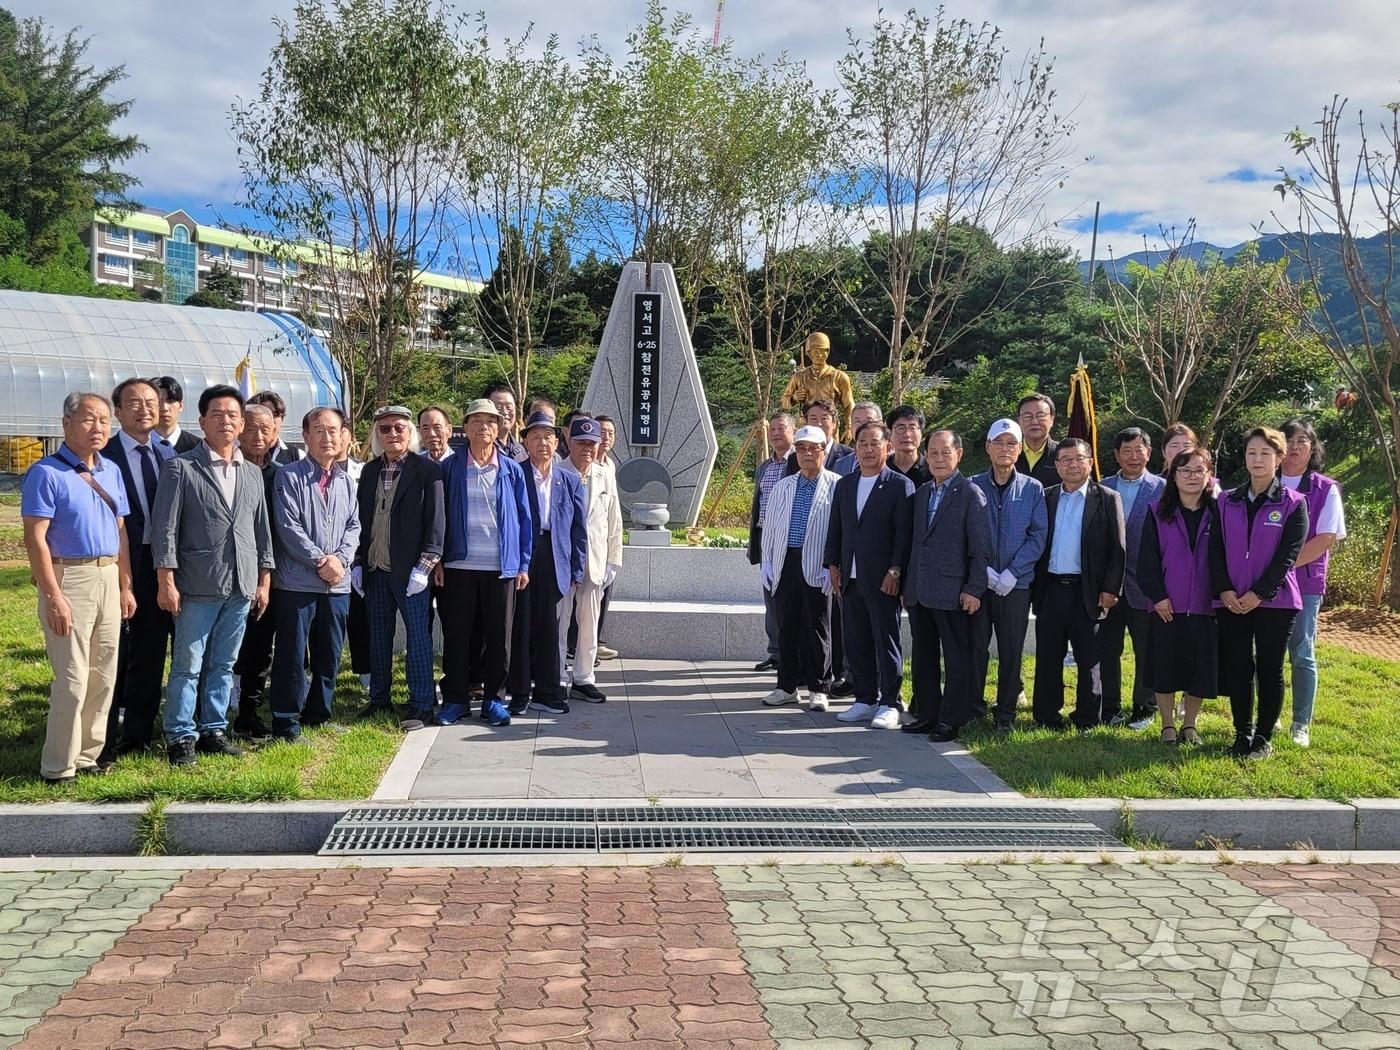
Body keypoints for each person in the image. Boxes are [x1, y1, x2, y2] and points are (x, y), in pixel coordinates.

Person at [150, 385, 274, 766]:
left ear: (242, 423)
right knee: (188, 664)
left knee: (223, 663)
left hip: (241, 583)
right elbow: (164, 529)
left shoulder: (251, 472)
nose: (226, 421)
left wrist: (263, 578)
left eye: (233, 415)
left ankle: (214, 728)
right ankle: (180, 735)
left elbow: (260, 530)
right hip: (197, 584)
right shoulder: (181, 467)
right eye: (217, 414)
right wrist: (165, 579)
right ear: (202, 421)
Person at [22, 393, 136, 783]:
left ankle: (89, 755)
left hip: (107, 575)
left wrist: (125, 584)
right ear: (66, 423)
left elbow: (120, 531)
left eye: (104, 420)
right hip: (69, 577)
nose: (98, 428)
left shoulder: (111, 472)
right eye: (89, 420)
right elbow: (35, 539)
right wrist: (53, 595)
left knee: (104, 674)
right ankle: (58, 765)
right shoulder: (46, 473)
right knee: (71, 678)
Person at [1210, 426, 1307, 760]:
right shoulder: (1226, 501)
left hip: (1275, 603)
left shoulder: (1294, 503)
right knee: (1238, 667)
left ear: (1279, 458)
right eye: (1252, 453)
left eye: (1266, 453)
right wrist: (1224, 590)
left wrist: (1260, 593)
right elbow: (1215, 549)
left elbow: (1288, 557)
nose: (1258, 459)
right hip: (1231, 600)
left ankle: (1263, 737)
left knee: (1269, 668)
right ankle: (1241, 732)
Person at [437, 398, 533, 726]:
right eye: (476, 421)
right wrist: (437, 560)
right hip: (458, 567)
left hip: (500, 568)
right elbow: (437, 520)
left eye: (490, 422)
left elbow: (524, 519)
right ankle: (455, 699)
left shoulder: (511, 469)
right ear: (465, 427)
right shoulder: (449, 467)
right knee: (457, 636)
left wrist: (523, 563)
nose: (483, 427)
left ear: (499, 428)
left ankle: (494, 698)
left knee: (499, 637)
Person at [269, 408, 360, 741]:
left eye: (334, 431)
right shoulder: (288, 476)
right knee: (293, 654)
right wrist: (322, 560)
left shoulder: (347, 481)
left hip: (337, 585)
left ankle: (318, 713)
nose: (327, 437)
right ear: (305, 436)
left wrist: (340, 560)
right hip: (297, 582)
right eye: (319, 431)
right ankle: (285, 721)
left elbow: (354, 526)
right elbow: (287, 527)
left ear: (343, 436)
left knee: (330, 652)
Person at [99, 377, 176, 759]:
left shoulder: (169, 454)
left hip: (162, 562)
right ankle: (103, 737)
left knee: (150, 648)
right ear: (117, 411)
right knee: (117, 649)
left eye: (151, 401)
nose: (145, 409)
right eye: (134, 402)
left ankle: (138, 734)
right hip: (119, 560)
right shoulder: (104, 455)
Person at [354, 406, 444, 724]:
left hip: (412, 572)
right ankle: (379, 699)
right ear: (377, 434)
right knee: (378, 637)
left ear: (411, 432)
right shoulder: (369, 471)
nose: (392, 434)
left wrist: (425, 566)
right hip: (375, 569)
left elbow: (436, 524)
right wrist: (357, 562)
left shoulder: (427, 470)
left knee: (418, 638)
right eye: (385, 429)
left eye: (399, 428)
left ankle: (421, 702)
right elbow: (360, 522)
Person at [902, 430, 993, 740]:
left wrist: (974, 588)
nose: (938, 458)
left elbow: (980, 549)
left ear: (959, 455)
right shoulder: (923, 493)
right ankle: (927, 714)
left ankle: (950, 720)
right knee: (923, 657)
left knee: (956, 659)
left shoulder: (970, 493)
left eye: (945, 452)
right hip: (920, 590)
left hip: (954, 593)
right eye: (933, 453)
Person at [824, 421, 914, 729]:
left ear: (888, 448)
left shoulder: (900, 485)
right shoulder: (845, 484)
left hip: (882, 578)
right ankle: (864, 698)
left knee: (885, 640)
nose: (868, 449)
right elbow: (836, 528)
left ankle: (890, 702)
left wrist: (895, 569)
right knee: (856, 640)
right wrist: (832, 564)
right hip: (849, 578)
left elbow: (904, 535)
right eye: (862, 443)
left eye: (875, 443)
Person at [1031, 438, 1125, 729]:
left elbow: (1117, 548)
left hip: (1089, 592)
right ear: (1056, 465)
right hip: (1051, 589)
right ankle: (1046, 716)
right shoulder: (1045, 497)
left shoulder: (1107, 498)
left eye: (1078, 458)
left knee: (1089, 659)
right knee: (1048, 657)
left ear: (1090, 462)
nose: (1072, 464)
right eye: (1065, 460)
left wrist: (1111, 589)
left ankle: (1087, 718)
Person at [1138, 447, 1219, 745]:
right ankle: (1167, 725)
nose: (1192, 477)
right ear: (1173, 475)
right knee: (1165, 667)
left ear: (1209, 474)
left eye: (1199, 470)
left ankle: (1190, 725)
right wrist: (1158, 596)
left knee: (1199, 670)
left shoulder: (1220, 512)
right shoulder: (1157, 512)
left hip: (1205, 606)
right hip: (1166, 606)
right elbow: (1146, 560)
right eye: (1184, 471)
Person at [970, 419, 1047, 732]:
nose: (1005, 449)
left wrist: (1013, 572)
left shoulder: (1032, 489)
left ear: (1019, 449)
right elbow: (965, 533)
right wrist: (984, 571)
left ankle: (1005, 714)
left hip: (1016, 586)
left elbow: (1038, 535)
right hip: (979, 583)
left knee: (1011, 650)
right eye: (998, 443)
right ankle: (973, 709)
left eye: (1011, 443)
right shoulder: (972, 485)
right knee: (975, 648)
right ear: (988, 447)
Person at [510, 410, 587, 716]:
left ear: (558, 442)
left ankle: (547, 690)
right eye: (536, 437)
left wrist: (577, 569)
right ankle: (518, 692)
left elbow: (579, 529)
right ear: (525, 441)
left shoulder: (569, 479)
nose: (543, 443)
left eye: (548, 437)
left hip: (555, 555)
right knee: (520, 625)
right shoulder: (515, 473)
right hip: (523, 555)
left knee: (549, 628)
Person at [760, 425, 839, 710]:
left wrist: (833, 565)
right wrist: (767, 562)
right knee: (787, 627)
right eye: (802, 448)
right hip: (786, 562)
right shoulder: (784, 485)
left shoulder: (836, 484)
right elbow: (769, 527)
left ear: (823, 451)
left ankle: (819, 687)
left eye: (813, 449)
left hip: (818, 564)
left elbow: (840, 530)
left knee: (819, 628)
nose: (807, 454)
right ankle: (787, 686)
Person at [1281, 419, 1345, 748]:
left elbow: (1327, 537)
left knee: (1302, 652)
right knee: (1264, 653)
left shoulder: (1324, 488)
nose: (1294, 446)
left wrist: (1282, 567)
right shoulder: (1263, 481)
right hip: (1262, 584)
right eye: (1288, 439)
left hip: (1303, 583)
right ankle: (1270, 715)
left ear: (1312, 448)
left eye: (1301, 441)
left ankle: (1300, 723)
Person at [1098, 427, 1166, 729]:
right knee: (1108, 650)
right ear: (1116, 455)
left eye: (1139, 450)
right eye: (1127, 450)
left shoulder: (1163, 489)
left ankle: (1145, 705)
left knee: (1147, 649)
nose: (1133, 456)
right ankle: (1110, 706)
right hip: (1109, 586)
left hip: (1147, 586)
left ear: (1149, 453)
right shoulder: (1101, 487)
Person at [557, 416, 622, 703]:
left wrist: (613, 561)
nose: (587, 449)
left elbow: (614, 519)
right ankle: (558, 676)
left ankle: (584, 677)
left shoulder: (605, 474)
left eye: (591, 444)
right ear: (569, 442)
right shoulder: (557, 472)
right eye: (581, 442)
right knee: (559, 623)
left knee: (589, 624)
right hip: (563, 562)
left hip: (594, 562)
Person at [229, 404, 283, 739]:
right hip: (227, 572)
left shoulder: (283, 473)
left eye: (266, 429)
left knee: (260, 647)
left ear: (275, 432)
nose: (258, 436)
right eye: (251, 428)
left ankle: (249, 711)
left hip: (270, 573)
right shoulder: (225, 470)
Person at [748, 411, 796, 673]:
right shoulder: (765, 466)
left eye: (781, 429)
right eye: (772, 430)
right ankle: (775, 651)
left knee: (790, 599)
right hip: (765, 537)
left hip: (790, 539)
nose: (776, 434)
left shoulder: (798, 462)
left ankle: (791, 652)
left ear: (793, 432)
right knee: (771, 598)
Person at [780, 332, 856, 440]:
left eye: (824, 351)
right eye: (816, 352)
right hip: (806, 429)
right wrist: (794, 398)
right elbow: (784, 402)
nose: (820, 355)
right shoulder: (799, 377)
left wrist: (849, 426)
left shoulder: (839, 377)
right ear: (809, 353)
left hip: (829, 430)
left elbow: (849, 404)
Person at [592, 413, 620, 661]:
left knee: (604, 596)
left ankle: (597, 642)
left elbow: (614, 513)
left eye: (610, 433)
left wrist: (615, 555)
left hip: (607, 544)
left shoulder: (610, 465)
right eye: (601, 431)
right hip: (590, 548)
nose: (606, 437)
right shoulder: (587, 464)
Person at [784, 399, 853, 476]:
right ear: (806, 423)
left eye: (824, 418)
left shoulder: (849, 456)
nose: (819, 424)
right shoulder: (794, 458)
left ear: (834, 424)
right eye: (813, 418)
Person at [1014, 393, 1060, 488]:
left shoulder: (1063, 455)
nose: (1034, 422)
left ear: (1051, 419)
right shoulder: (1009, 453)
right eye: (1028, 416)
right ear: (1019, 420)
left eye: (1041, 415)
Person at [246, 391, 303, 464]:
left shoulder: (297, 456)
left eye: (274, 415)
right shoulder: (236, 455)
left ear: (282, 418)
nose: (269, 420)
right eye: (264, 414)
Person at [829, 402, 884, 476]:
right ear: (851, 427)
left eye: (868, 421)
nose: (862, 426)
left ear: (881, 425)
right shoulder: (840, 465)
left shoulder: (892, 461)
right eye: (857, 421)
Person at [885, 405, 932, 487]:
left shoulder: (932, 469)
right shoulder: (881, 468)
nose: (907, 434)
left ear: (921, 433)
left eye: (913, 428)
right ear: (890, 433)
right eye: (900, 428)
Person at [151, 376, 200, 453]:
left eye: (170, 401)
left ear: (181, 405)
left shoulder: (198, 447)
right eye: (158, 402)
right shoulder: (136, 445)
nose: (164, 408)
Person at [486, 383, 526, 460]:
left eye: (509, 407)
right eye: (499, 407)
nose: (505, 412)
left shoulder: (522, 451)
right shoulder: (478, 448)